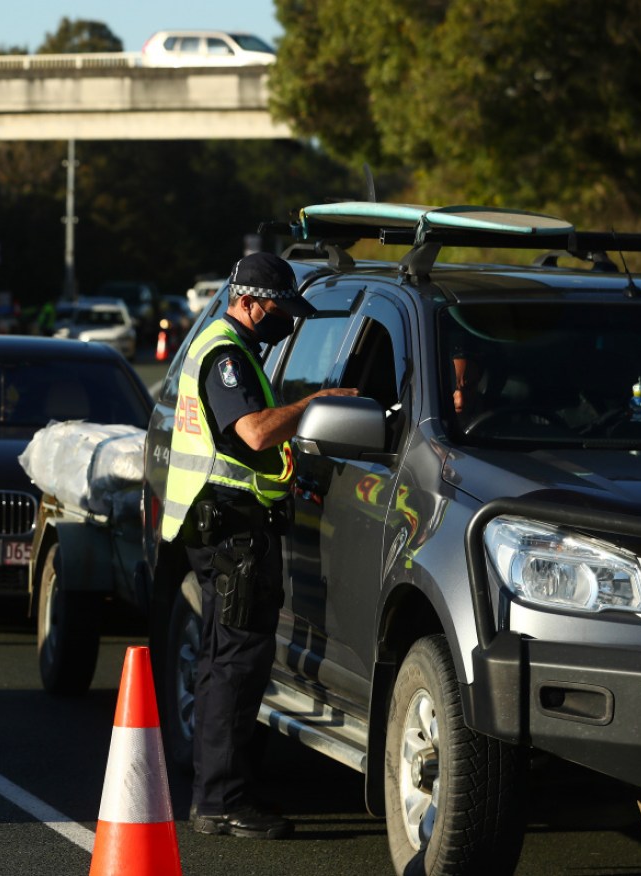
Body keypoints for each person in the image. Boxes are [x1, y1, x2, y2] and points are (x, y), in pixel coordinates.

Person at [159, 252, 357, 839]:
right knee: (235, 666)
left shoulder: (237, 348)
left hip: (232, 529)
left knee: (231, 662)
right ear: (247, 300)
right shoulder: (224, 352)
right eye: (279, 310)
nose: (286, 322)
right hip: (230, 533)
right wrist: (316, 405)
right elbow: (254, 430)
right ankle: (220, 800)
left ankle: (224, 791)